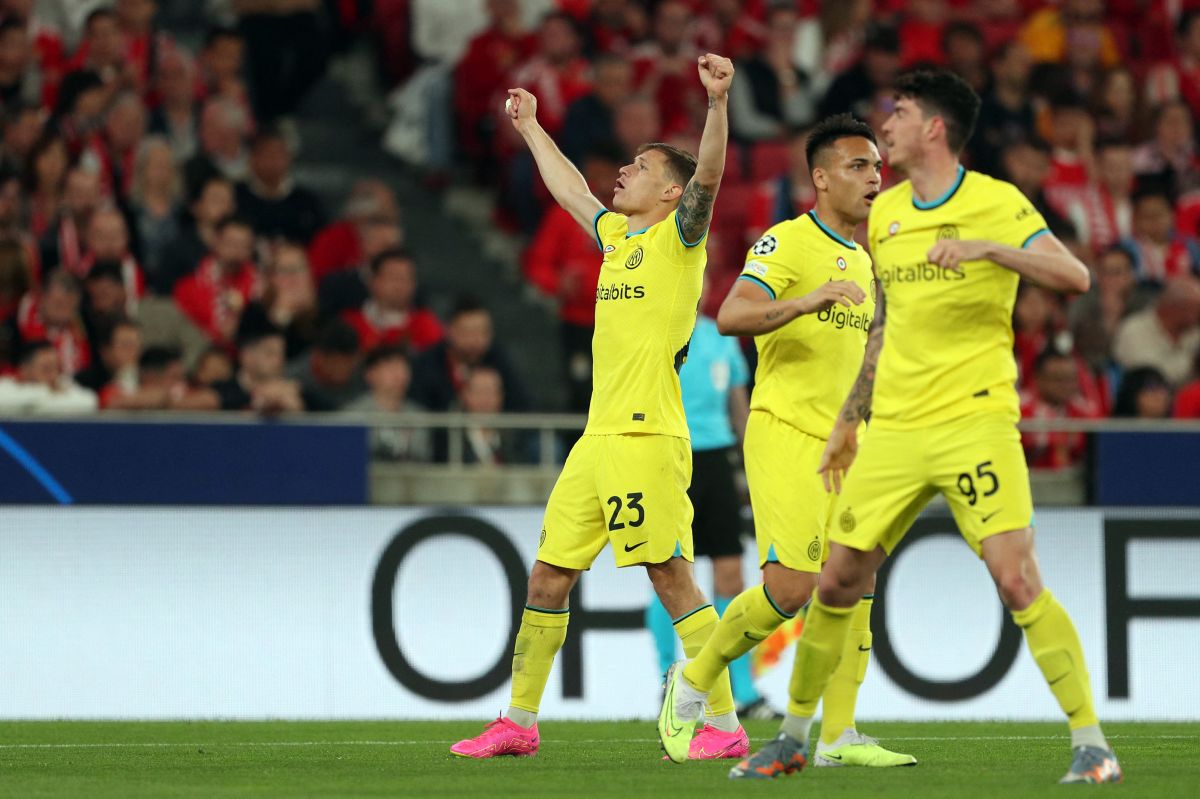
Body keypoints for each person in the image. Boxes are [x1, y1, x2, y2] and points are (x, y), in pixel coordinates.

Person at [712, 70, 1120, 783]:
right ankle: (795, 736)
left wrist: (991, 250)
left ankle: (1092, 745)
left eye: (896, 115)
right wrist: (850, 418)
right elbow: (883, 331)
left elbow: (1075, 275)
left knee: (1016, 577)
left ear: (932, 127)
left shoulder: (996, 202)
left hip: (973, 421)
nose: (886, 128)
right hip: (893, 431)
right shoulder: (888, 219)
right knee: (837, 579)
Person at [451, 53, 743, 761]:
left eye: (640, 167)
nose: (624, 172)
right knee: (549, 573)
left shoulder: (679, 241)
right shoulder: (617, 239)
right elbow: (573, 191)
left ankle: (724, 721)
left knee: (669, 573)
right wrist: (530, 130)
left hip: (648, 435)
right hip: (597, 438)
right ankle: (519, 719)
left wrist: (717, 105)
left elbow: (707, 177)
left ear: (671, 193)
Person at [657, 113, 913, 769]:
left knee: (855, 581)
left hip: (849, 443)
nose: (874, 178)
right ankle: (693, 678)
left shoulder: (868, 258)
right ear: (821, 178)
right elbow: (733, 313)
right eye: (859, 166)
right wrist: (805, 301)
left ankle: (840, 734)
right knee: (791, 587)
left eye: (879, 167)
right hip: (786, 432)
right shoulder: (788, 241)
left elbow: (864, 357)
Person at [643, 271, 773, 718]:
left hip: (716, 462)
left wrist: (753, 468)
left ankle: (743, 690)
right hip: (670, 457)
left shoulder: (720, 338)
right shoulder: (656, 332)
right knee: (670, 574)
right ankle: (670, 678)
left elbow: (740, 409)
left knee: (731, 577)